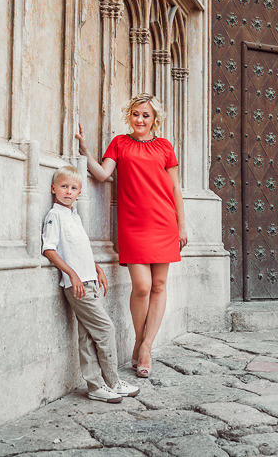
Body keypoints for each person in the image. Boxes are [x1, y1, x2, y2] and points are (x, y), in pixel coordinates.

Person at [76, 94, 188, 378]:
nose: (140, 119)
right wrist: (85, 151)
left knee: (159, 285)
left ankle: (146, 348)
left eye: (145, 115)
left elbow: (175, 188)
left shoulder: (165, 146)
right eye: (136, 114)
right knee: (142, 286)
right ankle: (139, 340)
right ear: (130, 116)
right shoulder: (119, 143)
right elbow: (102, 174)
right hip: (133, 224)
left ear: (154, 119)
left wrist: (182, 225)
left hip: (164, 221)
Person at [42, 165, 140, 402]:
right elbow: (49, 249)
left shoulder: (74, 216)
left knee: (87, 335)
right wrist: (72, 274)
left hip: (90, 280)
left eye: (73, 188)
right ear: (53, 189)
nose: (68, 191)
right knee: (106, 328)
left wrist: (97, 269)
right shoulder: (55, 216)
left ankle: (95, 387)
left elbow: (80, 250)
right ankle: (113, 382)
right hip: (77, 285)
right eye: (64, 186)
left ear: (79, 192)